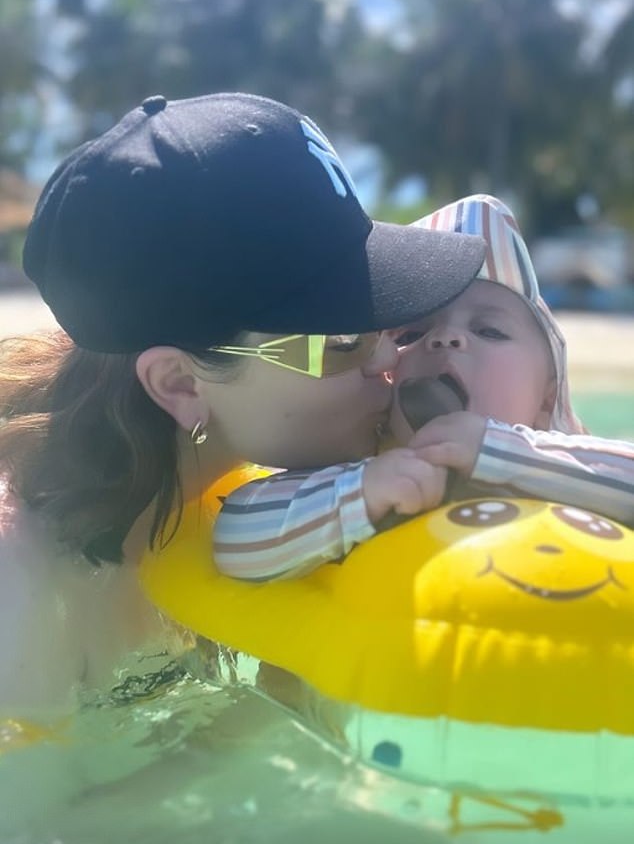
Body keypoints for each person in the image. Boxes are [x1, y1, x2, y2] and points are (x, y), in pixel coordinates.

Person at [0, 92, 487, 714]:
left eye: (391, 325)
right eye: (342, 342)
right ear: (179, 384)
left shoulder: (242, 501)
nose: (390, 360)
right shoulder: (20, 599)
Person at [213, 195, 634, 581]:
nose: (446, 339)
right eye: (411, 332)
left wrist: (508, 454)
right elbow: (233, 533)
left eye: (489, 329)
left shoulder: (572, 470)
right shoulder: (363, 478)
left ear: (547, 393)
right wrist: (360, 495)